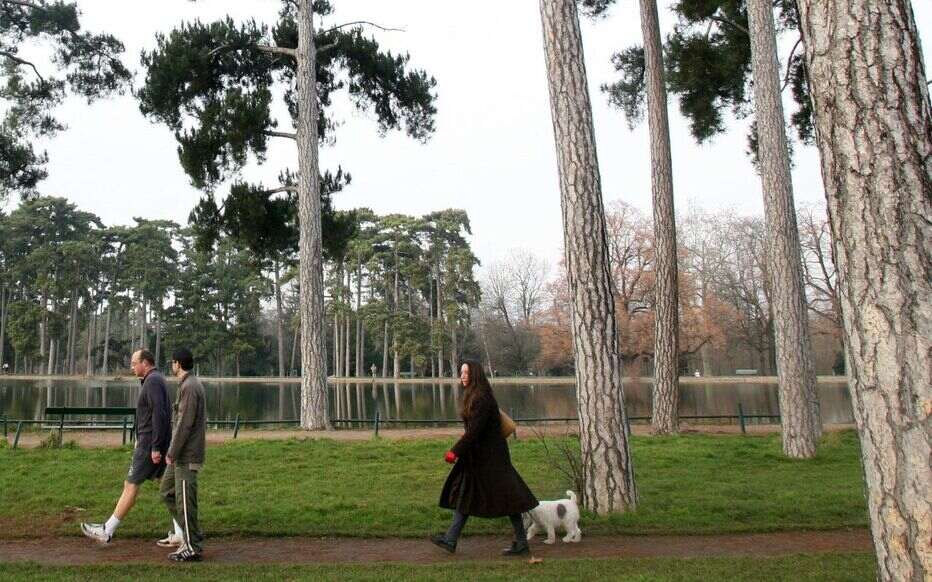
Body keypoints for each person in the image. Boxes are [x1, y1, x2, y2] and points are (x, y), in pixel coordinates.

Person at [432, 359, 538, 556]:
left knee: (507, 497)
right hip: (481, 456)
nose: (462, 376)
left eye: (465, 372)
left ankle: (451, 539)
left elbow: (474, 432)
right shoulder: (474, 395)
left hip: (490, 458)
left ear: (475, 375)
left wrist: (455, 451)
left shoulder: (481, 398)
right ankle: (451, 539)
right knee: (474, 493)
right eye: (461, 372)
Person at [81, 349, 171, 543]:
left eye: (134, 363)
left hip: (149, 446)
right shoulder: (154, 379)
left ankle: (107, 530)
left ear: (145, 363)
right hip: (152, 442)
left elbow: (159, 414)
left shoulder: (153, 381)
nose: (131, 367)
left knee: (131, 484)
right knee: (168, 486)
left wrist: (155, 446)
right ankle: (181, 530)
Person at [157, 347, 207, 562]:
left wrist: (172, 452)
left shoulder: (190, 387)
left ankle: (193, 547)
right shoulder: (187, 385)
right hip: (180, 454)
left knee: (186, 501)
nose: (172, 366)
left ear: (177, 363)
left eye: (172, 362)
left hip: (186, 455)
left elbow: (184, 424)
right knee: (167, 491)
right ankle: (192, 534)